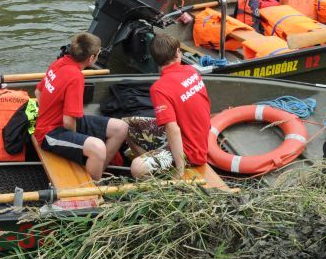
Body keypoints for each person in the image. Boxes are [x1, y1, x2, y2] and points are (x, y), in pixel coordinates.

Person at [34, 33, 129, 181]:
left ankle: (98, 170)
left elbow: (38, 92)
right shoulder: (76, 77)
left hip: (56, 122)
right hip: (49, 134)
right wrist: (78, 140)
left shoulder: (60, 62)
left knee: (121, 128)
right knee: (98, 148)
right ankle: (92, 186)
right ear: (91, 58)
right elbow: (68, 122)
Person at [130, 34, 210, 179]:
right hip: (198, 138)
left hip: (190, 153)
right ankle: (156, 163)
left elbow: (172, 129)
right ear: (178, 52)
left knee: (137, 167)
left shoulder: (159, 88)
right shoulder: (191, 71)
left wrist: (180, 170)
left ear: (154, 58)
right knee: (126, 125)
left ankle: (159, 170)